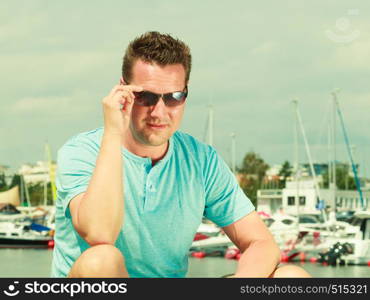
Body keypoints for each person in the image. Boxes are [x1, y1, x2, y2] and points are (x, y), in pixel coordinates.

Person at [51, 31, 310, 278]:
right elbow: (100, 233)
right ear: (123, 91)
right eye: (146, 96)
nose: (159, 112)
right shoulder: (81, 151)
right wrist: (112, 133)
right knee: (102, 260)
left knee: (292, 276)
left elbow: (261, 242)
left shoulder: (200, 160)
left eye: (174, 97)